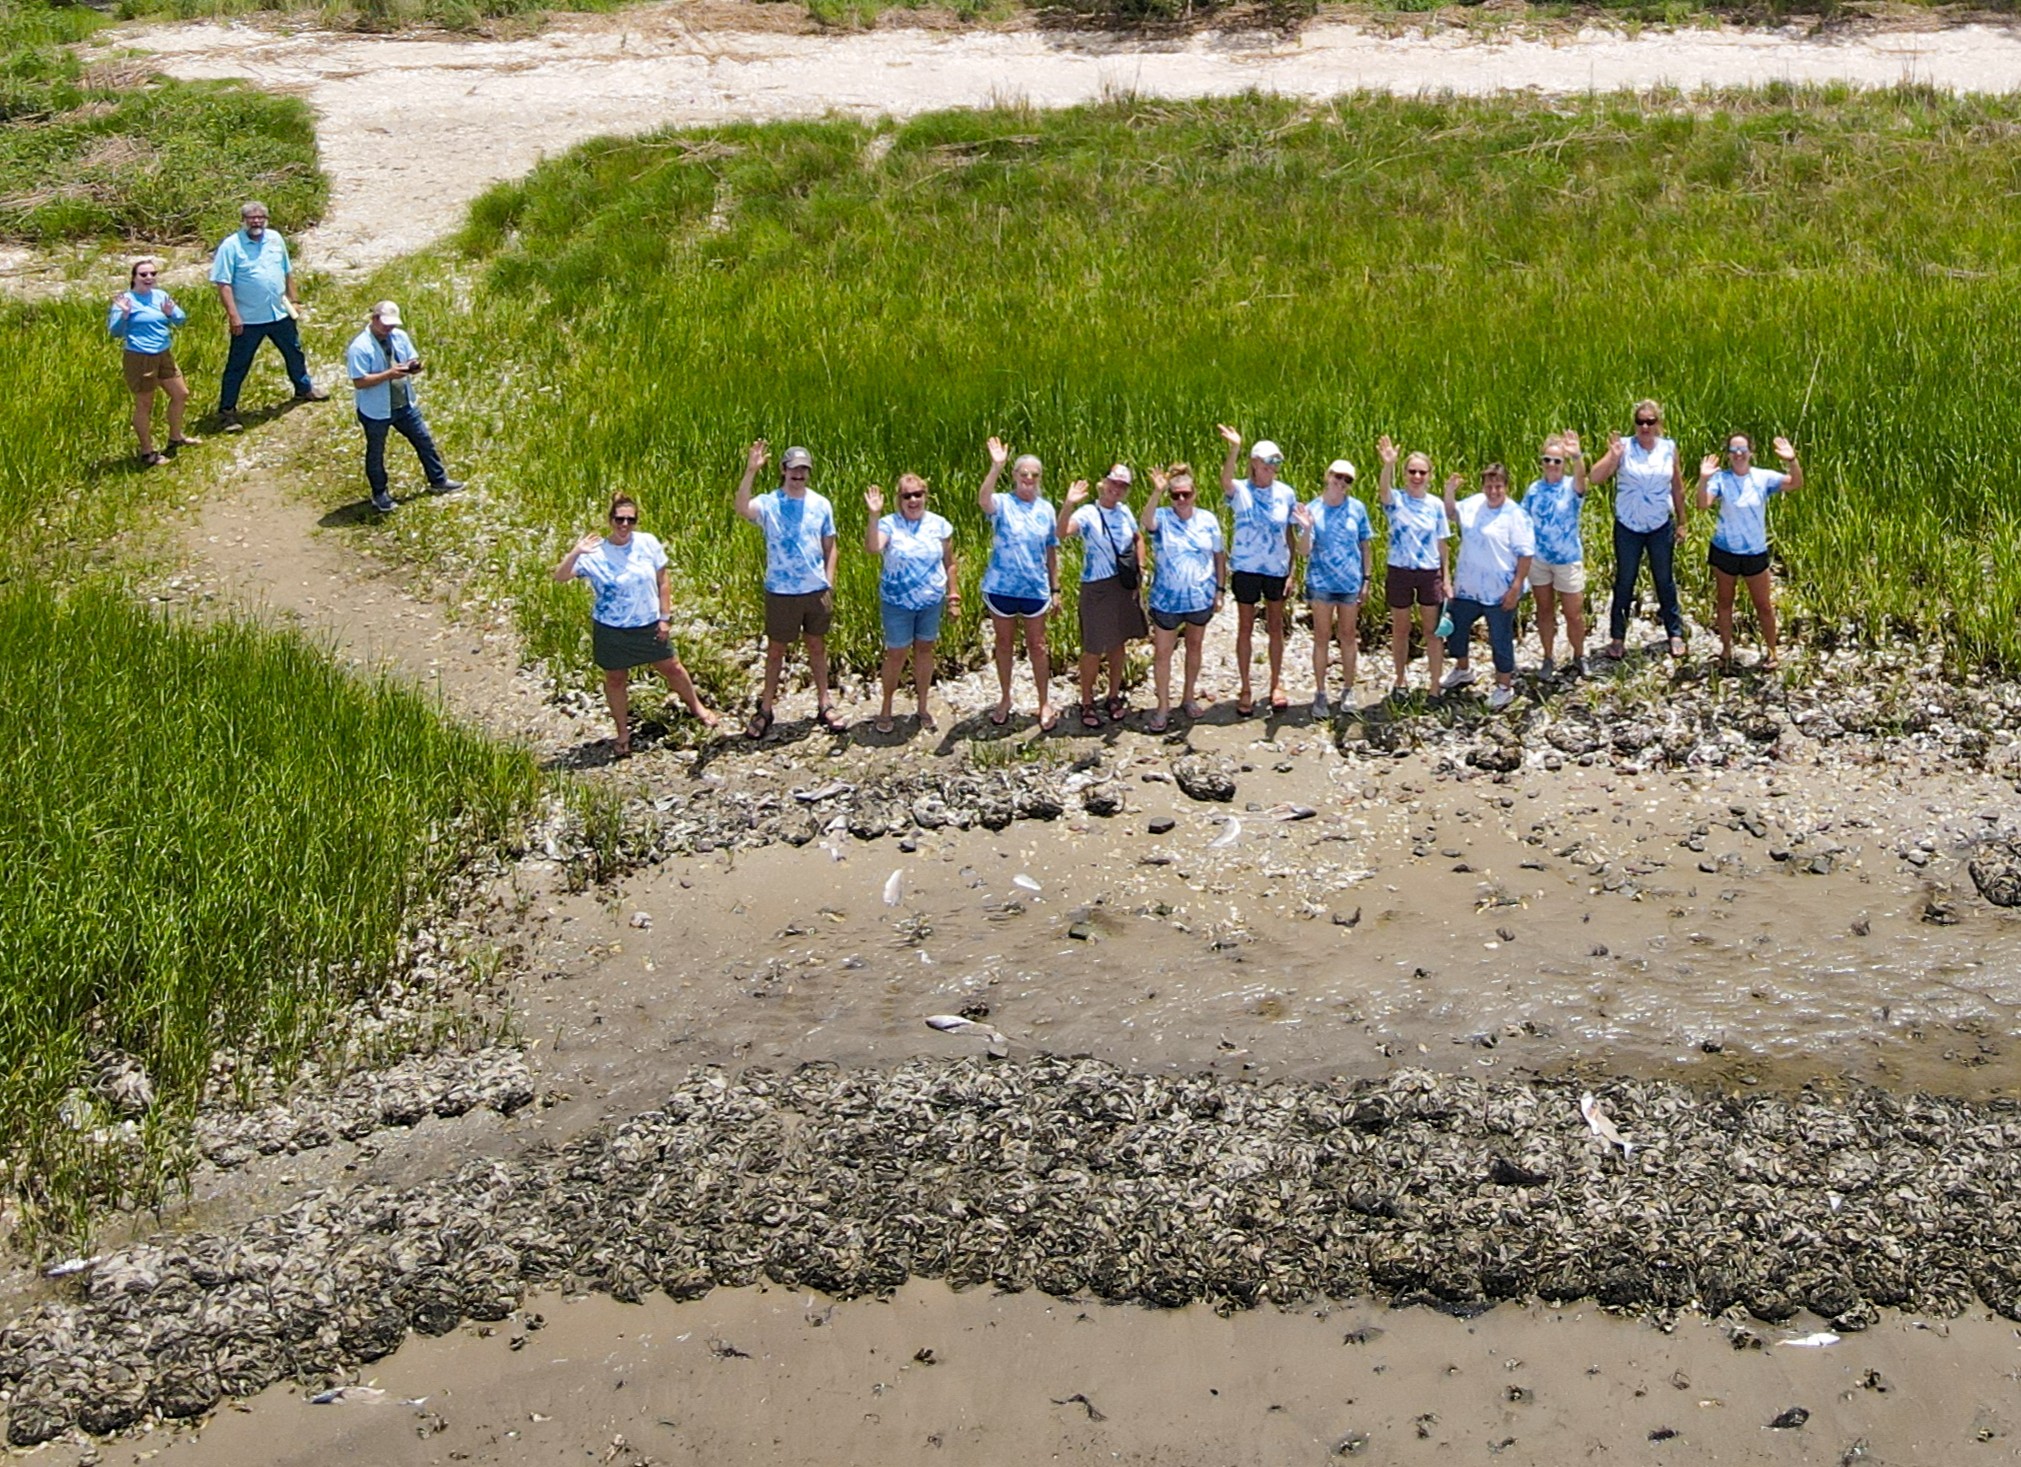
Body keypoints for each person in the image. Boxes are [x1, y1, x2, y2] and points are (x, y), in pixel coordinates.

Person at [552, 494, 718, 757]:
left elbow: (663, 580)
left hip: (648, 624)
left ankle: (697, 707)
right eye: (620, 519)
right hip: (611, 629)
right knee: (615, 679)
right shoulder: (594, 552)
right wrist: (575, 552)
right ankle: (622, 733)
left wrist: (665, 618)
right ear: (611, 520)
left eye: (631, 519)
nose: (625, 524)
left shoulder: (647, 543)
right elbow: (560, 577)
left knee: (672, 667)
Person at [736, 440, 840, 738]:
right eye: (794, 469)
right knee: (776, 650)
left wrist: (828, 582)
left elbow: (830, 546)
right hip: (781, 591)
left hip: (815, 590)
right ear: (783, 470)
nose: (799, 474)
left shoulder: (821, 504)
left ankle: (825, 703)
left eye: (804, 469)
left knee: (817, 646)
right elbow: (742, 508)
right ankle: (766, 709)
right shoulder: (769, 503)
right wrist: (750, 471)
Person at [209, 200, 327, 432]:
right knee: (238, 365)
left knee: (294, 352)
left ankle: (304, 389)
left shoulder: (275, 239)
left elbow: (286, 270)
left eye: (260, 217)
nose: (256, 221)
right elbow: (223, 283)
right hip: (249, 319)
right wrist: (233, 316)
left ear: (266, 219)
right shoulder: (231, 246)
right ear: (243, 221)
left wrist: (294, 300)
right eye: (251, 218)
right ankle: (227, 411)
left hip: (279, 313)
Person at [1587, 399, 1688, 660]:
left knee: (1664, 580)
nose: (1645, 426)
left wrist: (1683, 521)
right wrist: (1613, 456)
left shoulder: (1669, 448)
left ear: (1658, 424)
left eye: (1650, 421)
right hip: (1628, 526)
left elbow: (1677, 486)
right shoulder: (1624, 448)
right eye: (1640, 421)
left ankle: (1674, 633)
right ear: (1635, 423)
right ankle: (1618, 638)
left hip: (1659, 525)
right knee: (1624, 580)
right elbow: (1595, 478)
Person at [344, 300, 463, 513]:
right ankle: (380, 494)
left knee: (424, 441)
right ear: (374, 319)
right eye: (385, 324)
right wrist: (389, 375)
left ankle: (438, 480)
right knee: (376, 452)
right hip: (376, 410)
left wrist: (414, 367)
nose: (389, 329)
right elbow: (359, 382)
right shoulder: (359, 347)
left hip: (404, 404)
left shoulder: (400, 336)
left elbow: (412, 357)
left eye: (392, 325)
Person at [1697, 434, 1803, 669]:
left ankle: (1773, 651)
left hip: (1755, 551)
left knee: (1763, 605)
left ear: (1751, 452)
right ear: (1728, 454)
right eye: (1733, 450)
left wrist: (1792, 461)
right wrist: (1703, 479)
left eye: (1742, 449)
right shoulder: (1721, 479)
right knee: (1725, 603)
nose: (1738, 454)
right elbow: (1702, 504)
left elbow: (1795, 484)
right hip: (1725, 550)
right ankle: (1726, 651)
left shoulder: (1763, 477)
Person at [976, 437, 1061, 730]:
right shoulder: (1002, 502)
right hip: (1001, 587)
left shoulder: (1046, 509)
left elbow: (1051, 549)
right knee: (1003, 644)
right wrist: (996, 466)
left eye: (1033, 475)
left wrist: (1056, 588)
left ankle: (1044, 701)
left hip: (1035, 588)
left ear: (1039, 479)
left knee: (1038, 645)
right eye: (1022, 473)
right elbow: (983, 500)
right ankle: (1004, 698)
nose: (1028, 479)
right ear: (1015, 476)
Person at [864, 473, 957, 734]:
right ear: (899, 499)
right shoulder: (888, 524)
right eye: (907, 495)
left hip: (931, 601)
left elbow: (949, 563)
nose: (913, 500)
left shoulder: (940, 525)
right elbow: (872, 548)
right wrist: (873, 515)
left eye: (918, 494)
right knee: (896, 653)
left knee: (926, 650)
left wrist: (953, 597)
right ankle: (886, 707)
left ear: (926, 496)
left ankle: (923, 706)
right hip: (897, 603)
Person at [1058, 463, 1148, 728]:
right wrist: (1068, 504)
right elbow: (1061, 533)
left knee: (1118, 643)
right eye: (1113, 483)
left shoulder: (1124, 513)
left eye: (1122, 485)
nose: (1116, 489)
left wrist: (1141, 568)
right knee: (1093, 647)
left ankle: (1113, 695)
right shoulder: (1087, 513)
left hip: (1123, 583)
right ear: (1103, 483)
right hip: (1096, 585)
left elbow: (1137, 538)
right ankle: (1086, 700)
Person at [1439, 464, 1536, 710]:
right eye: (1489, 486)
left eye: (1498, 486)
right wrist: (1449, 491)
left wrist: (1515, 588)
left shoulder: (1516, 515)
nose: (1493, 491)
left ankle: (1504, 685)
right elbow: (1450, 513)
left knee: (1500, 636)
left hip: (1500, 590)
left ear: (1506, 487)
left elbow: (1526, 554)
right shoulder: (1473, 504)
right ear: (1483, 486)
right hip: (1468, 587)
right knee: (1456, 627)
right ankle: (1462, 669)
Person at [1217, 425, 1298, 715]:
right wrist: (1234, 448)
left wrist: (1292, 570)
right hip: (1246, 567)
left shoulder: (1286, 493)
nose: (1273, 468)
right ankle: (1246, 687)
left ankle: (1276, 683)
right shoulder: (1240, 490)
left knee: (1276, 627)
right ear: (1255, 463)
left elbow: (1290, 533)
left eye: (1276, 463)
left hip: (1275, 567)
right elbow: (1225, 480)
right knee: (1245, 627)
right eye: (1268, 462)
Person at [1141, 463, 1225, 733]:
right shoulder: (1163, 517)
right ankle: (1163, 705)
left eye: (1185, 494)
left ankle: (1188, 696)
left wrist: (1220, 590)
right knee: (1163, 653)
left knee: (1195, 647)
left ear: (1194, 494)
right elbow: (1146, 521)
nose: (1180, 499)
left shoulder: (1208, 520)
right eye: (1175, 495)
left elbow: (1219, 555)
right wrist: (1157, 491)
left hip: (1200, 596)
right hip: (1166, 599)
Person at [1292, 458, 1372, 717]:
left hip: (1349, 582)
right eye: (1338, 476)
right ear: (1328, 476)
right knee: (1322, 637)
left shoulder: (1357, 509)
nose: (1341, 482)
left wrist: (1367, 579)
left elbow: (1365, 545)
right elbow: (1303, 551)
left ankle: (1348, 689)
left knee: (1348, 637)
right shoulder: (1312, 509)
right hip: (1321, 583)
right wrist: (1305, 529)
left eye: (1347, 479)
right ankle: (1320, 693)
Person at [1376, 437, 1451, 695]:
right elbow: (1383, 492)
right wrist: (1388, 465)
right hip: (1400, 569)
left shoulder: (1436, 505)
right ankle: (1400, 680)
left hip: (1429, 572)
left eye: (1422, 472)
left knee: (1432, 631)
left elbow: (1443, 544)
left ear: (1429, 475)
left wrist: (1447, 578)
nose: (1417, 476)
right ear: (1406, 474)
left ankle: (1434, 685)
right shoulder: (1396, 500)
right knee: (1401, 628)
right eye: (1412, 471)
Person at [108, 257, 195, 467]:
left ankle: (175, 437)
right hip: (140, 356)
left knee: (181, 393)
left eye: (153, 274)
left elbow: (181, 319)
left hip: (163, 353)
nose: (149, 278)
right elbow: (115, 332)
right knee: (145, 403)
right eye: (144, 274)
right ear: (134, 278)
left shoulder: (160, 295)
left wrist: (171, 313)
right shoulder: (125, 300)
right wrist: (125, 315)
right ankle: (147, 452)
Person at [1519, 432, 1589, 674]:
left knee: (1574, 614)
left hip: (1567, 559)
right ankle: (1548, 657)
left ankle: (1579, 654)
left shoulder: (1571, 486)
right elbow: (1521, 520)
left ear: (1564, 464)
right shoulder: (1534, 490)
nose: (1551, 465)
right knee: (1545, 611)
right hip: (1540, 560)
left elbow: (1583, 480)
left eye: (1557, 461)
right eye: (1547, 460)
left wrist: (1577, 455)